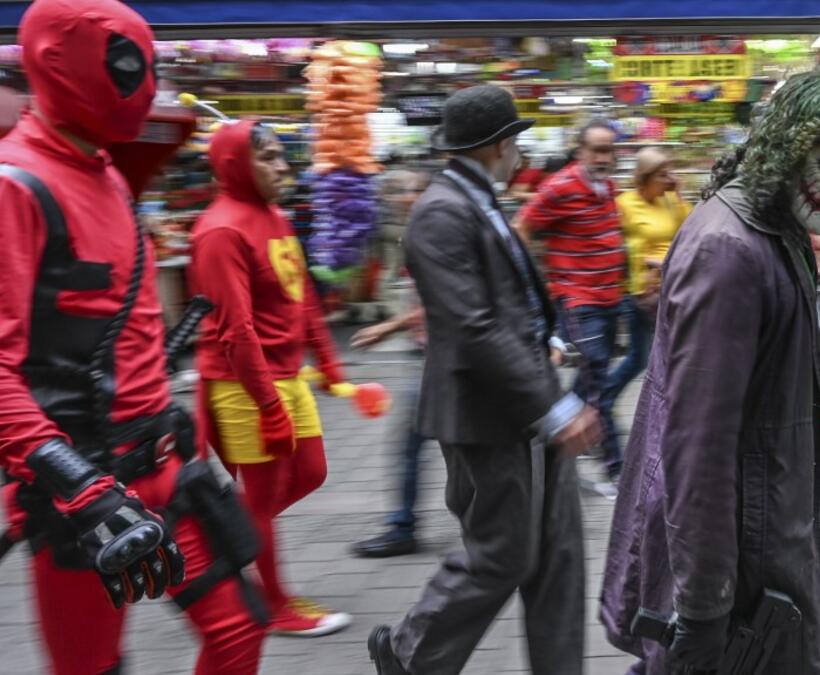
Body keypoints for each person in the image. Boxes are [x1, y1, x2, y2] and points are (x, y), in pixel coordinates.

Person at [0, 1, 265, 672]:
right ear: (59, 65)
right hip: (78, 493)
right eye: (126, 66)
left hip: (160, 465)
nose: (143, 84)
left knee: (240, 628)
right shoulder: (15, 187)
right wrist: (80, 488)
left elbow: (129, 323)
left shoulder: (110, 173)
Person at [601, 70, 820, 675]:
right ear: (786, 149)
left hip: (766, 547)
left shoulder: (777, 232)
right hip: (741, 568)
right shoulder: (730, 250)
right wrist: (701, 609)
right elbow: (697, 445)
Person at [368, 84, 600, 675]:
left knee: (559, 558)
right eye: (516, 141)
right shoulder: (443, 212)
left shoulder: (479, 198)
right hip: (490, 414)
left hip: (525, 402)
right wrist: (556, 409)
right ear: (500, 144)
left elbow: (507, 302)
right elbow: (472, 326)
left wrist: (546, 344)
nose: (520, 151)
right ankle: (409, 651)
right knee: (503, 555)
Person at [190, 120, 353, 637]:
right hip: (242, 382)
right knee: (262, 497)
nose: (283, 167)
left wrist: (330, 365)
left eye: (283, 155)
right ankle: (276, 607)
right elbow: (235, 330)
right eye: (269, 157)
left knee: (311, 471)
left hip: (286, 374)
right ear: (237, 164)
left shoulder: (275, 217)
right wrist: (267, 406)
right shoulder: (220, 230)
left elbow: (301, 295)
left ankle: (215, 539)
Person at [515, 120, 627, 489]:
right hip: (579, 301)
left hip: (610, 299)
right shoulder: (559, 187)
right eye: (596, 150)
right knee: (597, 384)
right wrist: (536, 282)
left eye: (609, 150)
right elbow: (522, 228)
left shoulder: (606, 186)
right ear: (579, 151)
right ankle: (615, 469)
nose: (603, 157)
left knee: (590, 384)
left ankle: (549, 432)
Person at [606, 147, 691, 464]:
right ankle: (603, 401)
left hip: (673, 287)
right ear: (645, 176)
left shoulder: (671, 200)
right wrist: (648, 264)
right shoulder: (625, 204)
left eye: (671, 172)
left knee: (658, 358)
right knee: (643, 358)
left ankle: (663, 422)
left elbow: (689, 231)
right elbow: (622, 247)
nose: (669, 179)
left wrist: (679, 194)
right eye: (663, 174)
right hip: (644, 294)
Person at [347, 306, 429, 558]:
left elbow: (440, 296)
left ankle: (403, 528)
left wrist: (387, 327)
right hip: (435, 356)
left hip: (443, 360)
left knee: (410, 448)